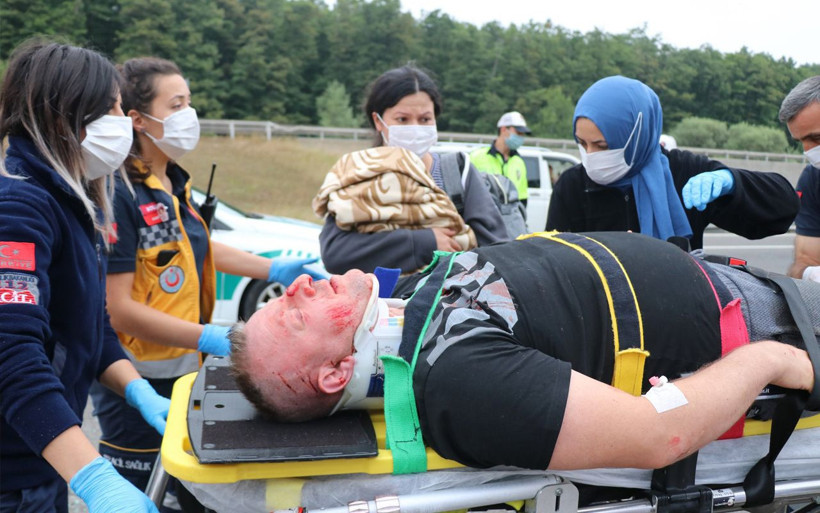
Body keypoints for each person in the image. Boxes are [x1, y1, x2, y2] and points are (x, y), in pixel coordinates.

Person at [229, 231, 818, 472]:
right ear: (337, 373)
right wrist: (769, 359)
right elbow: (656, 434)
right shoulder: (459, 379)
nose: (299, 285)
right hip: (783, 328)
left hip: (748, 285)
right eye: (294, 315)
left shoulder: (410, 301)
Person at [89, 56, 323, 503]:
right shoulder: (120, 193)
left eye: (189, 102)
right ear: (138, 119)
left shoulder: (174, 183)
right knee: (142, 495)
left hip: (185, 371)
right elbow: (117, 309)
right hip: (137, 381)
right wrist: (211, 336)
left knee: (188, 492)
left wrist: (273, 269)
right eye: (176, 105)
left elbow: (198, 251)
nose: (189, 115)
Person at [0, 39, 165, 513]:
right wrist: (95, 478)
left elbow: (90, 327)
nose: (122, 120)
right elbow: (11, 354)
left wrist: (137, 389)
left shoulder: (73, 204)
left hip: (43, 463)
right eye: (111, 108)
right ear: (64, 117)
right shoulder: (19, 208)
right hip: (14, 474)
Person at [546, 76, 798, 250]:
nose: (590, 155)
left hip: (680, 307)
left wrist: (732, 183)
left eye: (602, 146)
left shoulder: (684, 172)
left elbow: (782, 210)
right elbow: (553, 262)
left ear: (637, 134)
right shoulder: (572, 186)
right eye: (582, 143)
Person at [314, 65, 508, 275]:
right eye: (402, 119)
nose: (415, 127)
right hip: (384, 296)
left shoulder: (457, 172)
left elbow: (497, 250)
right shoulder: (360, 174)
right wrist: (423, 243)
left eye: (425, 119)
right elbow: (335, 254)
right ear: (378, 121)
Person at [781, 76, 820, 281]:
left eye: (817, 138)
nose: (809, 151)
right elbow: (804, 261)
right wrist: (810, 273)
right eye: (801, 142)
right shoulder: (813, 179)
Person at [469, 111, 532, 205]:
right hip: (483, 212)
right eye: (518, 133)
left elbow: (522, 199)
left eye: (523, 134)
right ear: (504, 129)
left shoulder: (519, 162)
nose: (521, 137)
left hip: (510, 214)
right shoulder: (476, 157)